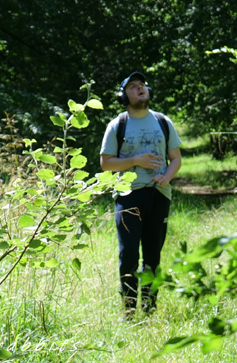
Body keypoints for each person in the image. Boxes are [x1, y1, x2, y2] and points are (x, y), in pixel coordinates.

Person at [100, 72, 182, 317]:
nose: (140, 89)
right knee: (128, 255)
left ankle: (149, 309)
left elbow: (176, 159)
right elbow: (105, 163)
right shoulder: (118, 125)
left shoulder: (163, 121)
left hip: (160, 194)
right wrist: (135, 160)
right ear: (123, 96)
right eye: (133, 87)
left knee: (153, 256)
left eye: (142, 85)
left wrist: (167, 176)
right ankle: (128, 311)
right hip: (128, 196)